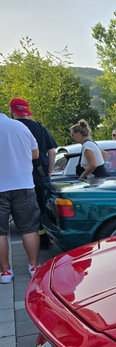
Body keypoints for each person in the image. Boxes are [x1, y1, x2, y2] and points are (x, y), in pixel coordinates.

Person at [9, 98, 57, 248]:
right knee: (43, 208)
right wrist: (49, 170)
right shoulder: (40, 128)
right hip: (40, 175)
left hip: (19, 178)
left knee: (26, 214)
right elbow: (52, 151)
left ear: (11, 111)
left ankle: (32, 241)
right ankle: (45, 241)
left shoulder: (12, 128)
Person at [0, 109, 41, 283]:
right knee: (29, 228)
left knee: (0, 232)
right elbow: (35, 154)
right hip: (23, 184)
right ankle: (33, 267)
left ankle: (5, 272)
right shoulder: (20, 126)